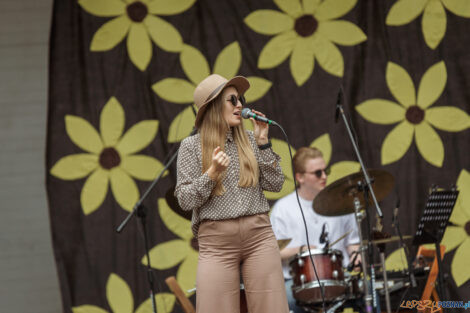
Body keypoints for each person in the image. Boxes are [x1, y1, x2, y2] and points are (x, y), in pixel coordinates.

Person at [175, 74, 289, 313]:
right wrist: (212, 173)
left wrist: (264, 143)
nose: (240, 105)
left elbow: (276, 183)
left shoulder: (249, 139)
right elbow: (185, 200)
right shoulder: (191, 146)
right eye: (232, 100)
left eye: (241, 99)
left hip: (259, 236)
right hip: (216, 243)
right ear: (213, 106)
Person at [270, 147, 361, 312]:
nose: (324, 177)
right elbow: (273, 252)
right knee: (285, 302)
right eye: (318, 173)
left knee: (369, 289)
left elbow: (352, 243)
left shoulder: (341, 203)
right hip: (299, 283)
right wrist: (304, 249)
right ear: (300, 177)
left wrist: (357, 258)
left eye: (326, 171)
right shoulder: (282, 209)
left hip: (341, 278)